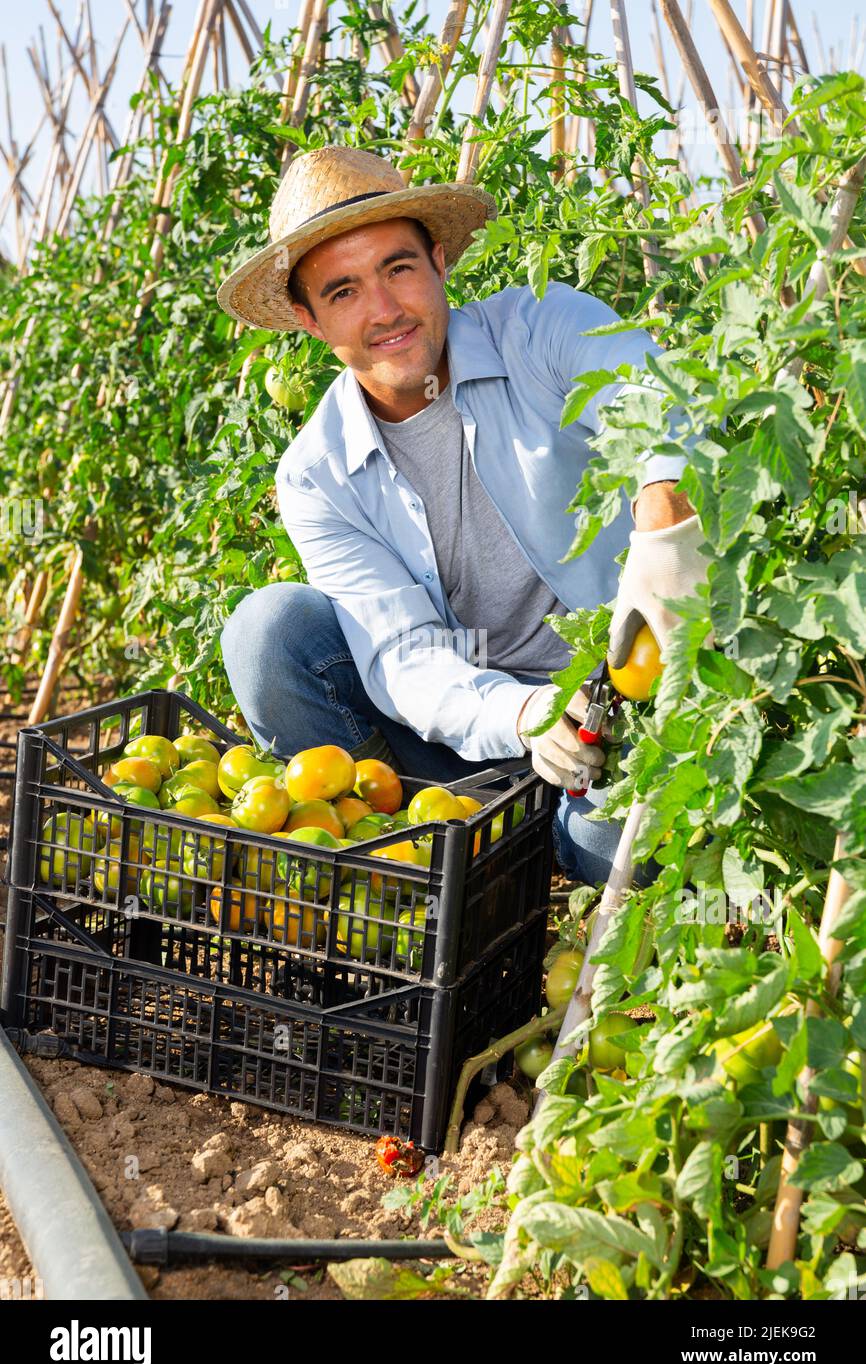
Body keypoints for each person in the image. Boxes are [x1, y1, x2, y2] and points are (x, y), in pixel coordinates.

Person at [216, 146, 706, 885]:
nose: (384, 312)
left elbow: (658, 408)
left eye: (399, 268)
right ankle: (426, 854)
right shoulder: (316, 476)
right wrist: (526, 715)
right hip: (469, 739)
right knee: (268, 632)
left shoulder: (542, 328)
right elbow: (403, 655)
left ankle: (543, 846)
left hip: (628, 708)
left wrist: (662, 530)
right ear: (309, 319)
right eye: (344, 291)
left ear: (440, 261)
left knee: (622, 850)